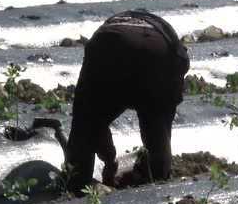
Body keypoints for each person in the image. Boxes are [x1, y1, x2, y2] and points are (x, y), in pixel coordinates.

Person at [65, 10, 189, 192]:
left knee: (85, 123)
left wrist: (108, 159)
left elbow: (95, 123)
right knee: (157, 126)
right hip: (155, 51)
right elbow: (163, 115)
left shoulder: (117, 26)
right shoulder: (170, 46)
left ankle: (76, 184)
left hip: (104, 45)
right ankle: (157, 180)